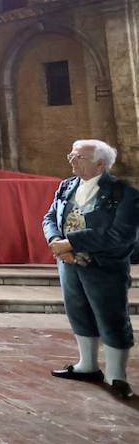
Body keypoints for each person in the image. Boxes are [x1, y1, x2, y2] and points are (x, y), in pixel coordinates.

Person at [44, 139, 137, 400]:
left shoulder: (123, 193)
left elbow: (120, 235)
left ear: (100, 164)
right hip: (69, 263)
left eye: (79, 157)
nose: (72, 161)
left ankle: (117, 375)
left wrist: (71, 242)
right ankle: (87, 365)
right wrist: (55, 242)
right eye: (71, 155)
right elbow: (50, 217)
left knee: (111, 316)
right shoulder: (67, 186)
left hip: (105, 266)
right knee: (78, 311)